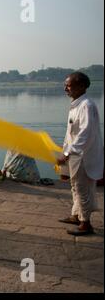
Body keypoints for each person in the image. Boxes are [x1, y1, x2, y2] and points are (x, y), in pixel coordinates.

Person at [57, 72, 104, 236]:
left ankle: (86, 223)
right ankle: (76, 215)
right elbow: (70, 133)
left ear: (81, 86)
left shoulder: (86, 106)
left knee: (82, 188)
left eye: (68, 85)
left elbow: (85, 133)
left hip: (84, 155)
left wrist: (69, 152)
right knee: (74, 186)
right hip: (75, 155)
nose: (65, 89)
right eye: (65, 85)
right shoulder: (76, 105)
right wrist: (64, 151)